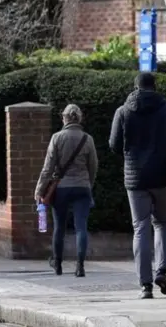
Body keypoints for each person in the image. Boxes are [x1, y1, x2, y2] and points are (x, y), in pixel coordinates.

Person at [108, 72, 166, 299]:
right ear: (155, 86)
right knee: (163, 223)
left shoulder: (123, 112)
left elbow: (114, 145)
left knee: (141, 227)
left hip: (135, 179)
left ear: (136, 87)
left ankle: (145, 285)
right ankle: (162, 271)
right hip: (163, 177)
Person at [34, 104, 98, 277]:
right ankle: (80, 266)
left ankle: (58, 264)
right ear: (79, 118)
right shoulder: (88, 139)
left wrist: (39, 190)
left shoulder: (57, 138)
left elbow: (48, 168)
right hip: (82, 187)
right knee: (81, 228)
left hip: (61, 188)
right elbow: (93, 167)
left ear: (65, 118)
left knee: (59, 228)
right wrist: (88, 185)